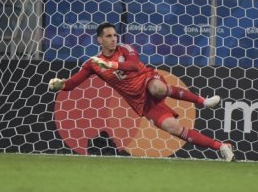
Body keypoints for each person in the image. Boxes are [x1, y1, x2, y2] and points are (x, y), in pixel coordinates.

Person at [48, 22, 234, 161]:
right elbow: (72, 83)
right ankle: (222, 146)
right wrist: (60, 85)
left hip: (147, 80)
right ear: (99, 40)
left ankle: (203, 101)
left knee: (158, 88)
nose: (113, 39)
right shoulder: (93, 63)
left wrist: (112, 64)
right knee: (173, 128)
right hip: (141, 102)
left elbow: (134, 66)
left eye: (115, 35)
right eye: (108, 36)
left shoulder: (126, 49)